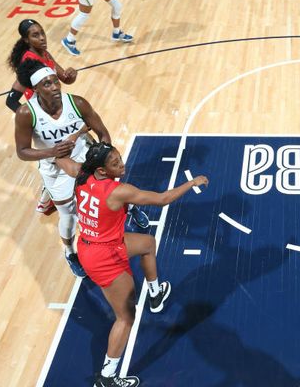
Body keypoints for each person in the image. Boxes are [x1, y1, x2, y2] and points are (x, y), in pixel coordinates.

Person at [74, 142, 208, 387]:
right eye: (115, 163)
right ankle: (107, 377)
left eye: (120, 159)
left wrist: (51, 151)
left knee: (147, 243)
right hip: (104, 257)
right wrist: (191, 183)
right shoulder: (118, 191)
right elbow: (162, 198)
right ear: (102, 171)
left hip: (95, 242)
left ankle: (155, 294)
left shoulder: (81, 174)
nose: (122, 165)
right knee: (125, 317)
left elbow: (60, 161)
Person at [14, 59, 112, 277]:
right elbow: (22, 151)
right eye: (47, 84)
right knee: (68, 214)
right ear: (35, 90)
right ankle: (70, 252)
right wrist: (51, 152)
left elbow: (103, 133)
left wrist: (104, 156)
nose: (55, 87)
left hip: (84, 158)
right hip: (54, 169)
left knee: (108, 195)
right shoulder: (26, 114)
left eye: (56, 82)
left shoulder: (77, 103)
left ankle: (130, 210)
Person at [7, 19, 78, 214]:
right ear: (26, 40)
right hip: (44, 119)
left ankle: (46, 202)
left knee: (61, 159)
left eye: (42, 33)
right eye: (35, 35)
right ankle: (51, 201)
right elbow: (11, 101)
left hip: (59, 111)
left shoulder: (45, 53)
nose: (42, 38)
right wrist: (31, 122)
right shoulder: (28, 62)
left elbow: (65, 78)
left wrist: (72, 74)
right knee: (57, 160)